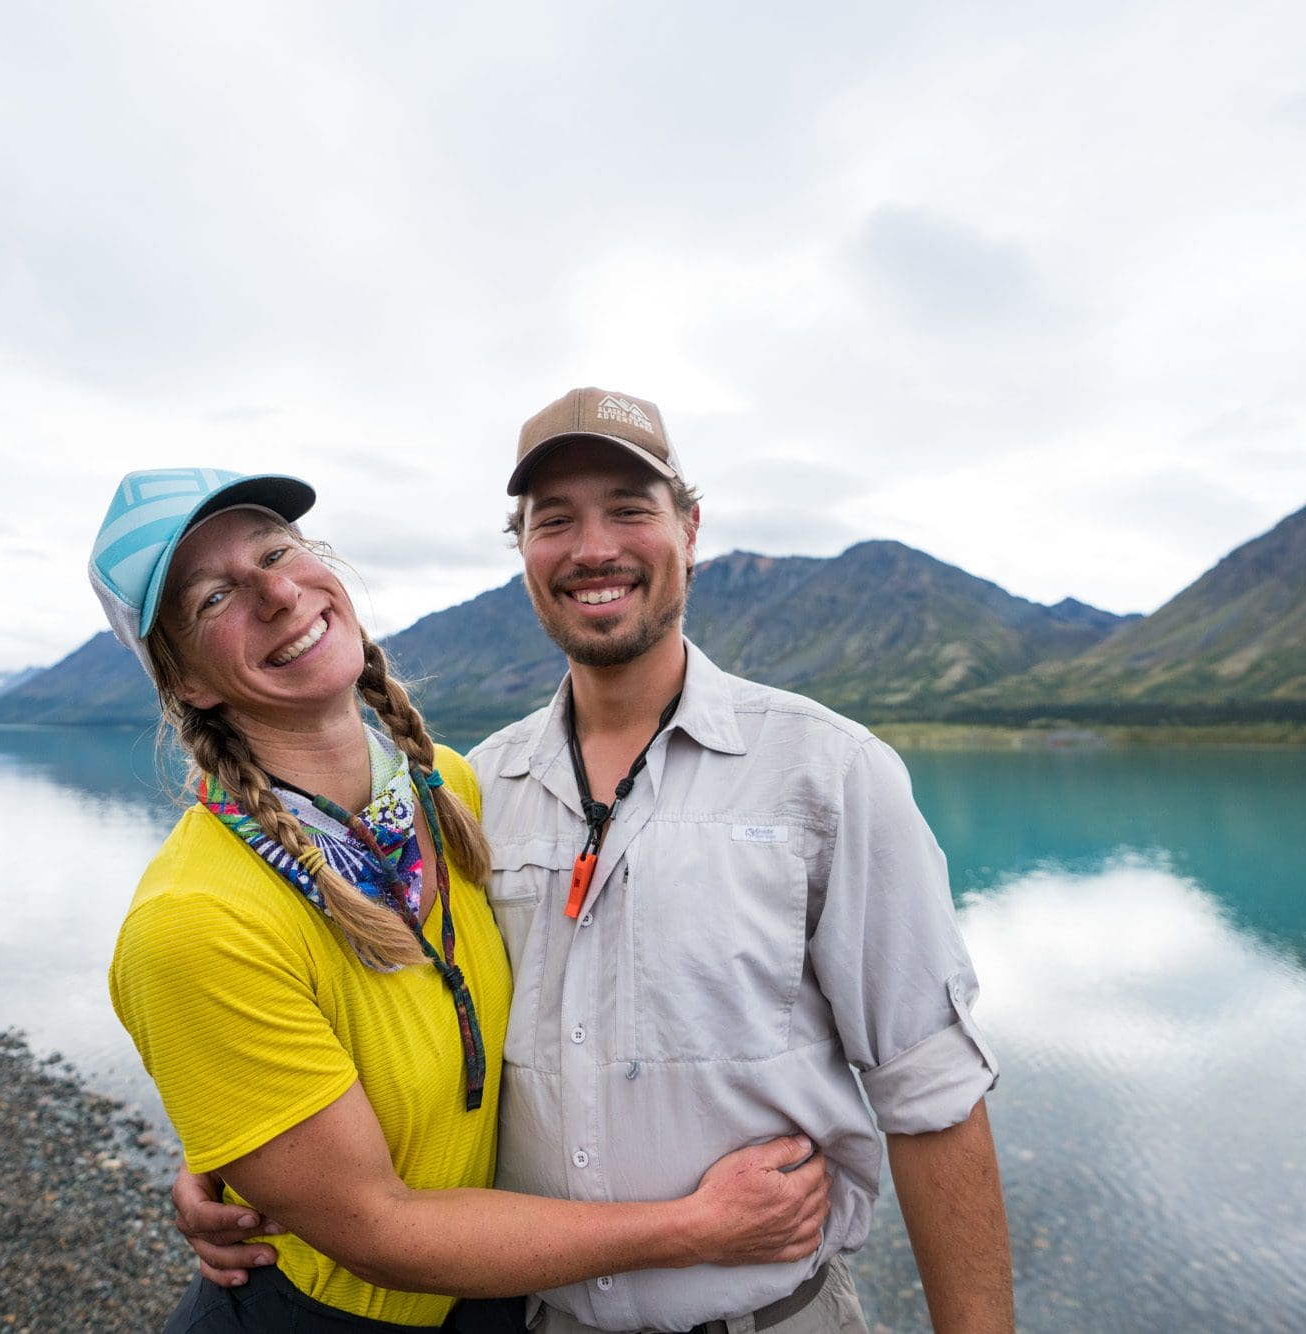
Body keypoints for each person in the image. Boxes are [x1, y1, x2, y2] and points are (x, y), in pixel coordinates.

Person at [179, 387, 1013, 1333]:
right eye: (554, 521)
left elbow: (931, 1096)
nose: (592, 549)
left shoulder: (827, 773)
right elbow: (378, 1014)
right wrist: (236, 1151)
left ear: (690, 530)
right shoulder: (465, 791)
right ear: (524, 553)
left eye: (629, 507)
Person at [90, 466, 833, 1334]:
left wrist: (236, 1144)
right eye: (214, 597)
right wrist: (697, 1228)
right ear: (185, 682)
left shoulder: (454, 793)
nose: (278, 592)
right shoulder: (192, 923)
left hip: (494, 1303)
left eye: (277, 550)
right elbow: (377, 1228)